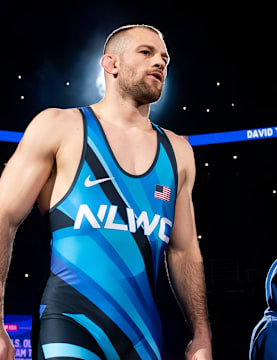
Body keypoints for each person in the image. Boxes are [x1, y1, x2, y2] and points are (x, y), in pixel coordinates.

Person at [0, 24, 212, 359]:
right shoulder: (60, 127)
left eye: (165, 58)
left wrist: (201, 336)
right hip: (69, 326)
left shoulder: (178, 152)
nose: (160, 62)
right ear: (110, 64)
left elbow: (185, 251)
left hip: (142, 336)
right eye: (146, 52)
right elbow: (2, 218)